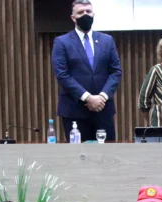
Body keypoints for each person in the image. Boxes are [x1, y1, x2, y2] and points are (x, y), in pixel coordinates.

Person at [51, 0, 123, 142]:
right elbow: (62, 75)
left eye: (88, 12)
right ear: (73, 17)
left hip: (103, 109)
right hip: (75, 110)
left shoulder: (107, 40)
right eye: (80, 12)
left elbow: (116, 72)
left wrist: (102, 97)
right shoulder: (61, 42)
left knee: (107, 158)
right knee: (79, 159)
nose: (85, 15)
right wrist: (88, 98)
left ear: (94, 14)